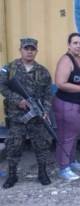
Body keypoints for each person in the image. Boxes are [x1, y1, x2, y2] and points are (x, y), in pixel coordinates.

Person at [0, 38, 52, 188]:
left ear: (36, 51)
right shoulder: (9, 68)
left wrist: (46, 111)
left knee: (41, 145)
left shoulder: (42, 71)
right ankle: (12, 175)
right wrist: (18, 100)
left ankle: (42, 173)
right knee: (14, 145)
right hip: (17, 116)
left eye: (32, 49)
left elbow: (48, 94)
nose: (29, 51)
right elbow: (2, 86)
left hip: (36, 116)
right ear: (20, 50)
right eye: (26, 48)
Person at [53, 33, 80, 181]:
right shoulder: (66, 60)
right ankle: (63, 168)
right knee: (66, 137)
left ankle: (71, 161)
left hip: (77, 104)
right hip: (65, 103)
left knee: (74, 135)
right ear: (68, 45)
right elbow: (60, 83)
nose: (78, 46)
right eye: (75, 43)